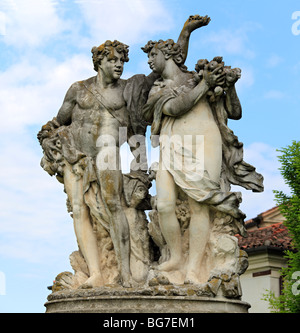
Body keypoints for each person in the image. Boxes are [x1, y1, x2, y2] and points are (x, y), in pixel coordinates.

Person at [142, 38, 263, 284]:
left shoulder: (196, 77)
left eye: (152, 55)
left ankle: (194, 268)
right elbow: (175, 108)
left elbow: (235, 113)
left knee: (200, 205)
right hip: (172, 143)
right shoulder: (159, 88)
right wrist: (205, 85)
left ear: (166, 54)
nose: (148, 61)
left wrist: (230, 86)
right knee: (164, 203)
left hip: (206, 141)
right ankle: (176, 256)